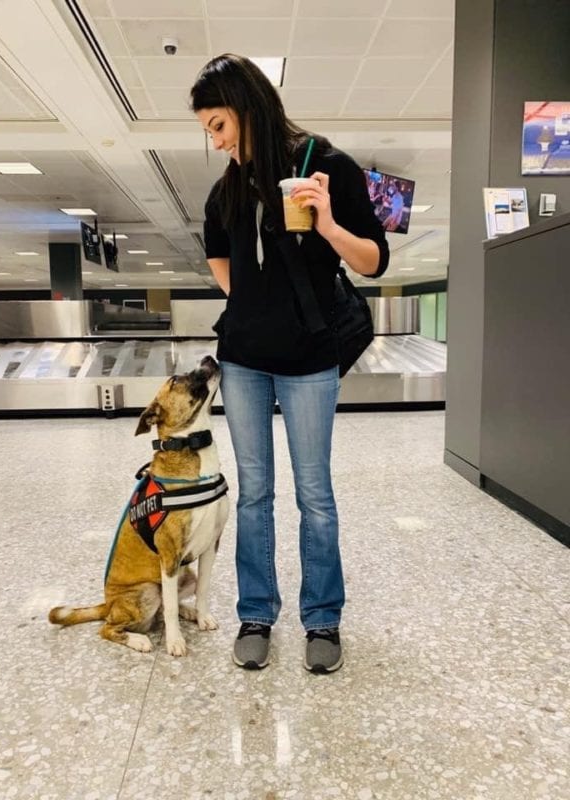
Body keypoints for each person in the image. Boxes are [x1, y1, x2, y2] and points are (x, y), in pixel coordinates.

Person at [190, 54, 389, 674]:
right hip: (244, 359)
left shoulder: (326, 166)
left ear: (248, 108)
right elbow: (222, 262)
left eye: (218, 124)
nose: (214, 140)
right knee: (254, 495)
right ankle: (256, 612)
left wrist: (326, 221)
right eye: (207, 130)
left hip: (309, 357)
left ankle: (323, 619)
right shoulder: (225, 190)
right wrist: (255, 305)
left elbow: (373, 262)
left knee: (314, 493)